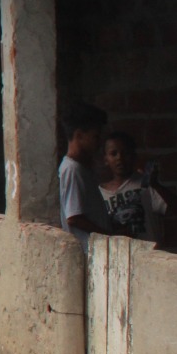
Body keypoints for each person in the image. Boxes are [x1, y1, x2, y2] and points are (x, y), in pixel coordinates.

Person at [100, 131, 177, 244]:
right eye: (113, 153)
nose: (119, 158)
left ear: (133, 156)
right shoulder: (99, 193)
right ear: (106, 159)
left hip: (148, 256)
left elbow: (175, 209)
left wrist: (155, 185)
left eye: (125, 153)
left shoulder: (146, 185)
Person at [59, 101, 114, 251]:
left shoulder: (82, 168)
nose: (99, 142)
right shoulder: (72, 170)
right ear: (79, 135)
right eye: (95, 136)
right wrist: (109, 235)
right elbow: (74, 218)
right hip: (86, 252)